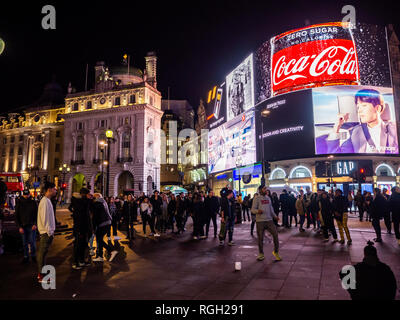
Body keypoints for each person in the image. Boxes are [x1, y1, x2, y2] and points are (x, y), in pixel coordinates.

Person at [325, 88, 399, 154]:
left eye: (364, 106)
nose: (359, 111)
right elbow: (337, 156)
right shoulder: (355, 132)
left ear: (377, 109)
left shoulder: (395, 130)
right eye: (358, 107)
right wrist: (336, 127)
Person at [251, 185, 281, 262]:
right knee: (260, 238)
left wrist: (275, 216)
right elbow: (253, 210)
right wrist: (258, 211)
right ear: (260, 190)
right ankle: (261, 253)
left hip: (269, 220)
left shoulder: (268, 198)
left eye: (266, 189)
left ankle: (276, 252)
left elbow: (271, 209)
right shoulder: (256, 198)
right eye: (264, 189)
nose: (266, 190)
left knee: (275, 234)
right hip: (260, 221)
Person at [36, 182, 57, 283]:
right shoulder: (45, 202)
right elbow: (45, 219)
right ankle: (41, 276)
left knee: (43, 254)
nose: (56, 190)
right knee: (42, 254)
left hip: (46, 232)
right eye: (54, 189)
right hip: (46, 233)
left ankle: (41, 274)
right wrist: (49, 232)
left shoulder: (47, 201)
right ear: (49, 189)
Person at [68, 188, 93, 269]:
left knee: (83, 245)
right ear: (84, 194)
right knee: (78, 245)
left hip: (84, 227)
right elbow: (82, 211)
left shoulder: (83, 202)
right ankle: (75, 262)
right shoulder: (78, 202)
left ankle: (81, 261)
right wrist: (88, 199)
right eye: (88, 194)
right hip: (79, 228)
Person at [92, 193, 118, 262]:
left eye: (94, 198)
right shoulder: (103, 201)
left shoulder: (98, 203)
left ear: (97, 197)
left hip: (103, 223)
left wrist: (93, 228)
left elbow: (95, 217)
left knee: (99, 239)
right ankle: (100, 256)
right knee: (99, 238)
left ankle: (111, 251)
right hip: (107, 222)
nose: (93, 199)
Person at [15, 189, 38, 264]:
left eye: (27, 194)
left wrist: (35, 224)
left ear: (29, 194)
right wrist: (19, 227)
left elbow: (36, 214)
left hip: (31, 225)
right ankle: (26, 257)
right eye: (25, 195)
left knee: (32, 243)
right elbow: (16, 215)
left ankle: (33, 256)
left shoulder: (33, 202)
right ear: (23, 195)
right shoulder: (19, 203)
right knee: (24, 243)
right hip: (23, 226)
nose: (26, 196)